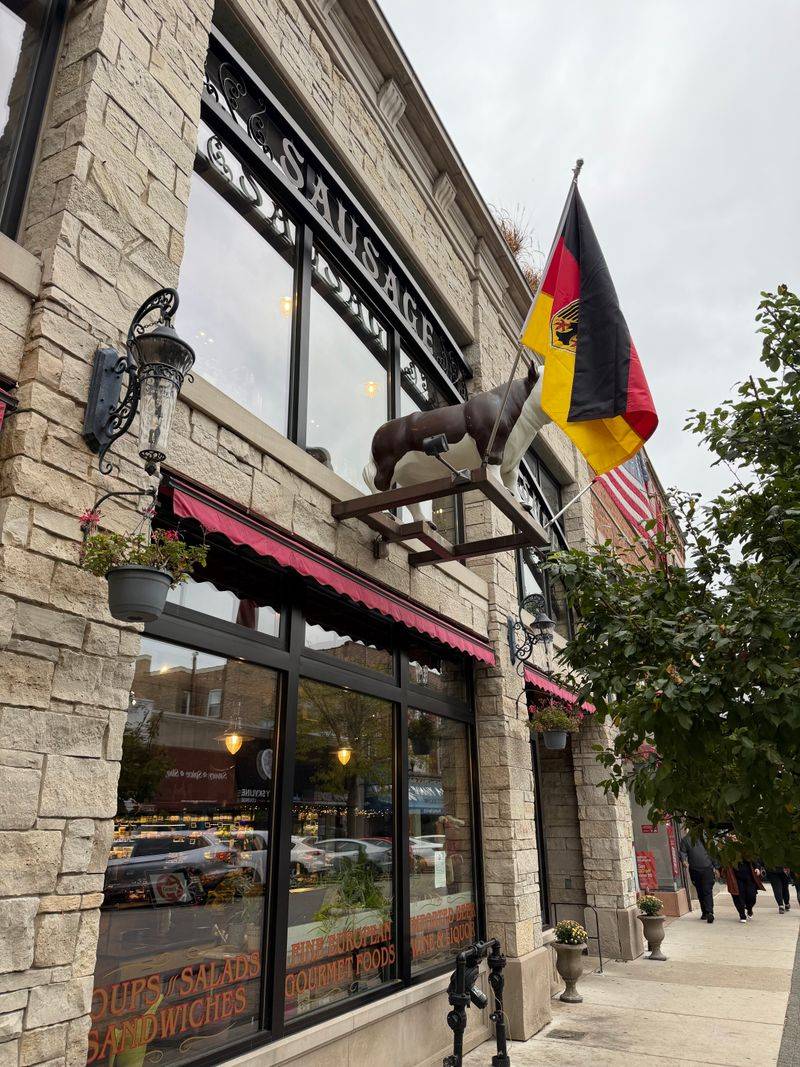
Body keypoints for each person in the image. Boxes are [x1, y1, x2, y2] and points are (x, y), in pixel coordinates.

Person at [680, 832, 717, 923]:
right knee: (700, 891)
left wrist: (716, 867)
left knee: (707, 890)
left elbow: (712, 853)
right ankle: (705, 912)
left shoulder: (706, 838)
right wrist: (684, 860)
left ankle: (709, 912)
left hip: (707, 868)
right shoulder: (686, 840)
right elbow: (682, 852)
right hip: (695, 870)